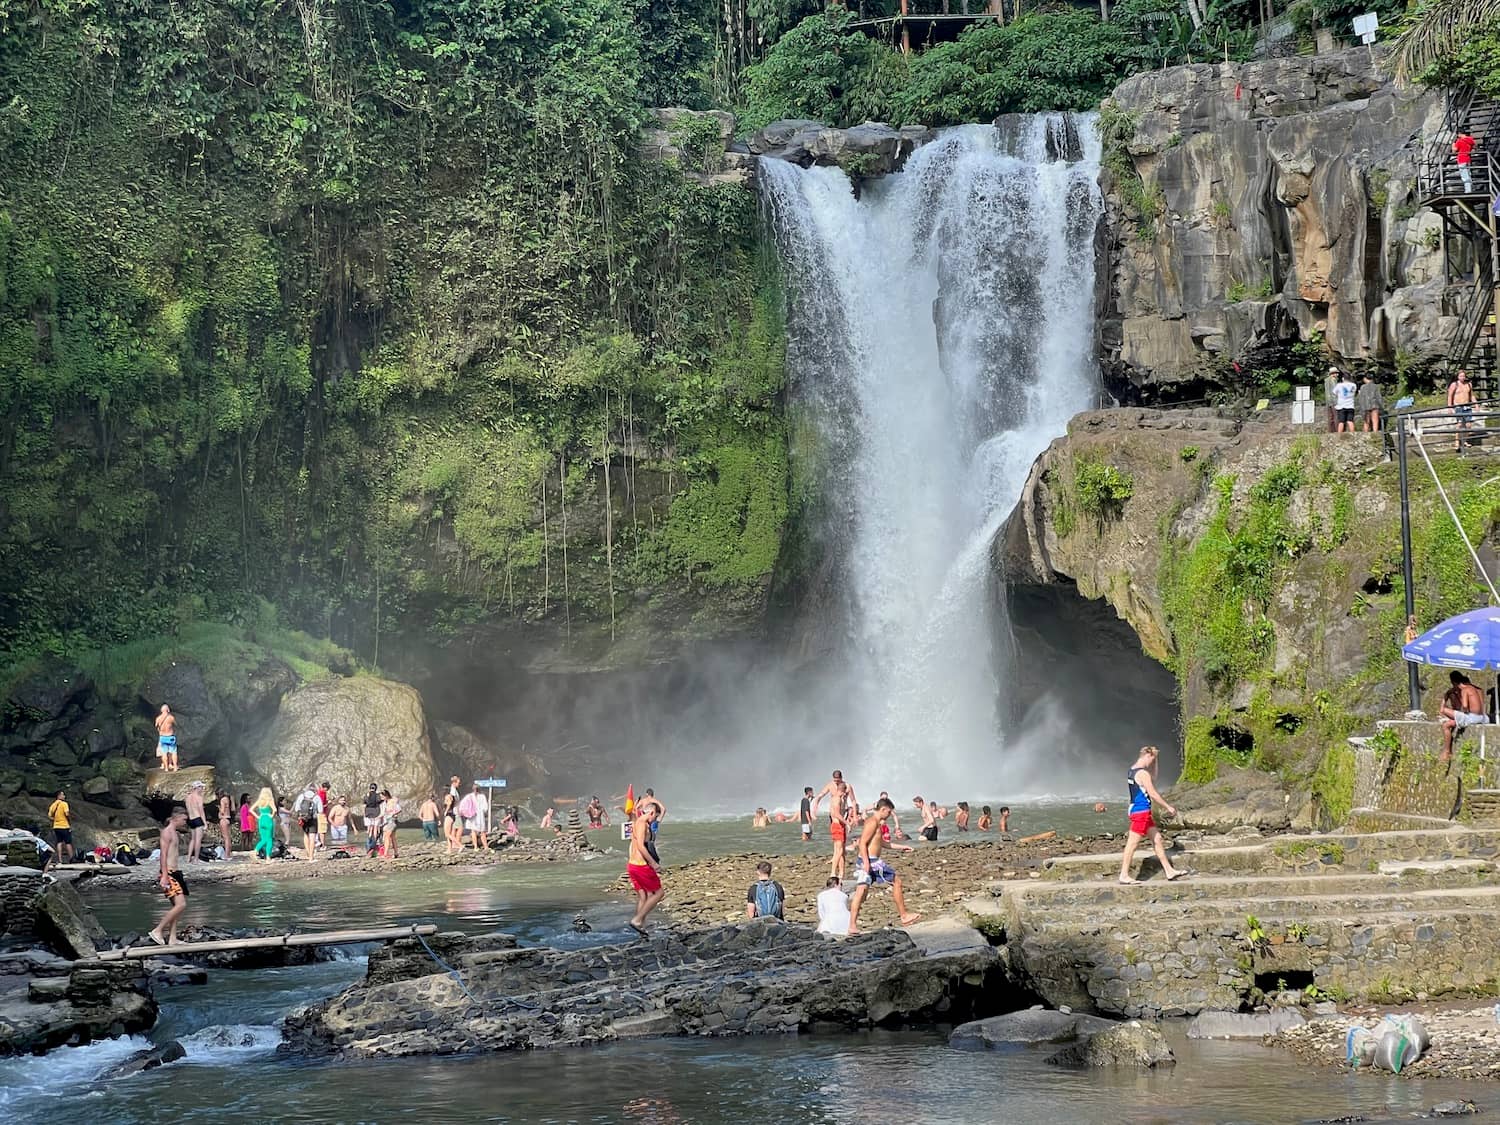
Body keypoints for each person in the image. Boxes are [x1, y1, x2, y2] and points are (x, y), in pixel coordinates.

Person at [847, 799, 922, 934]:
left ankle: (852, 925)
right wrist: (866, 863)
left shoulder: (876, 824)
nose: (889, 815)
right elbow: (862, 843)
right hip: (871, 861)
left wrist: (902, 847)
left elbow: (884, 843)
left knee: (862, 892)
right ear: (883, 809)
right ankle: (904, 916)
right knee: (896, 881)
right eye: (889, 812)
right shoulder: (872, 822)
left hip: (869, 861)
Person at [1118, 746, 1185, 885]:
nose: (1152, 763)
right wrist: (1168, 807)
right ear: (1147, 756)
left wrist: (1156, 760)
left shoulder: (1133, 769)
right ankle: (1124, 875)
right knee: (1132, 843)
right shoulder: (1143, 773)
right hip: (1141, 811)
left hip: (1139, 810)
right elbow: (1153, 793)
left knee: (1158, 839)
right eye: (1152, 760)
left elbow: (1153, 777)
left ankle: (1169, 871)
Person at [148, 808, 189, 945]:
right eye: (184, 819)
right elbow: (163, 855)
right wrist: (164, 876)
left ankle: (172, 939)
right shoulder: (166, 832)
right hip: (169, 874)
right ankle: (158, 930)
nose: (185, 822)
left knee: (176, 907)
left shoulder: (175, 833)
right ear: (175, 818)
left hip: (175, 873)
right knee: (181, 904)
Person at [626, 802, 665, 936]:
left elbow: (633, 844)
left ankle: (640, 925)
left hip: (632, 864)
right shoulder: (642, 824)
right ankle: (637, 920)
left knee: (643, 895)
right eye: (655, 816)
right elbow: (641, 847)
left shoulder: (637, 822)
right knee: (659, 893)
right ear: (652, 813)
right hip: (641, 865)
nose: (655, 820)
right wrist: (653, 863)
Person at [811, 770, 857, 880]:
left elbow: (853, 801)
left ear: (841, 778)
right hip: (836, 818)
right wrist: (815, 805)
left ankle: (841, 872)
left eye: (838, 781)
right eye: (835, 781)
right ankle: (833, 869)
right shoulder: (831, 787)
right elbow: (820, 795)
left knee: (841, 847)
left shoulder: (847, 787)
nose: (836, 783)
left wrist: (854, 815)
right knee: (839, 846)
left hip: (843, 816)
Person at [1439, 670, 1488, 761]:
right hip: (1484, 718)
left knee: (1444, 713)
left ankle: (1446, 751)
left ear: (1453, 682)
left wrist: (1462, 712)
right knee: (1449, 724)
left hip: (1473, 718)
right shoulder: (1478, 689)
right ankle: (1447, 751)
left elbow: (1465, 706)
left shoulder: (1465, 689)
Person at [1448, 369, 1476, 453]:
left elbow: (1471, 395)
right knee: (1459, 425)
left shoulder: (1468, 384)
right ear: (1458, 376)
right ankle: (1457, 442)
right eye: (1460, 376)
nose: (1462, 377)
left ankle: (1465, 441)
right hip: (1458, 406)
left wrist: (1476, 404)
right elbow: (1450, 396)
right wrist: (1450, 407)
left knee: (1468, 425)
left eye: (1463, 376)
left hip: (1467, 406)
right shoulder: (1454, 384)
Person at [250, 787, 277, 862]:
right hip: (268, 819)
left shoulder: (259, 801)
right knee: (269, 839)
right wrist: (271, 815)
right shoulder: (270, 800)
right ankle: (267, 857)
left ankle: (256, 852)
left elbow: (251, 810)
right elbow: (275, 810)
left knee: (263, 838)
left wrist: (258, 817)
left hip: (261, 819)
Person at [47, 789, 73, 864]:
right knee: (68, 842)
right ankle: (71, 858)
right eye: (63, 794)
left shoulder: (53, 804)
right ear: (59, 796)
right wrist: (69, 821)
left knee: (59, 842)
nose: (64, 796)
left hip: (56, 826)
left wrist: (55, 820)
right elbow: (67, 813)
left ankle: (60, 860)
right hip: (64, 826)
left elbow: (49, 816)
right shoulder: (64, 804)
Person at [295, 785, 320, 860]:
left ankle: (308, 854)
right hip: (313, 819)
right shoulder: (316, 797)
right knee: (312, 837)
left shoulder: (301, 796)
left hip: (303, 818)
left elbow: (297, 809)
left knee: (306, 835)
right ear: (315, 790)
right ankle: (311, 857)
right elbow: (321, 810)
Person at [184, 781, 207, 863]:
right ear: (197, 788)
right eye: (201, 787)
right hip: (197, 818)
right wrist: (205, 823)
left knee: (192, 839)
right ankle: (196, 859)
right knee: (198, 840)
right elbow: (201, 811)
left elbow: (187, 808)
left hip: (190, 819)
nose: (202, 789)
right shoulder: (199, 797)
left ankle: (188, 858)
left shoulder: (188, 797)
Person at [463, 783, 490, 850]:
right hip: (480, 816)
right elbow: (485, 808)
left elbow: (464, 804)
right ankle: (486, 846)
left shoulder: (469, 796)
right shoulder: (482, 796)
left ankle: (475, 847)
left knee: (473, 831)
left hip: (472, 815)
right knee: (482, 832)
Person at [154, 704, 178, 772]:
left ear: (161, 710)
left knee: (164, 753)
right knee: (173, 752)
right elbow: (175, 724)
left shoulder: (158, 718)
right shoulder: (171, 717)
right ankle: (175, 767)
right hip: (170, 737)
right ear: (168, 710)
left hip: (162, 737)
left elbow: (156, 726)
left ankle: (166, 768)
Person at [1333, 369, 1357, 434]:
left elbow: (1334, 392)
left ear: (1343, 378)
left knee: (1341, 421)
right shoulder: (1354, 385)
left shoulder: (1339, 385)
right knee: (1350, 421)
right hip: (1350, 406)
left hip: (1341, 406)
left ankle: (1339, 435)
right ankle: (1353, 434)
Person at [443, 776, 462, 853]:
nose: (459, 784)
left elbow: (450, 802)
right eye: (458, 782)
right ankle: (449, 849)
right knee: (449, 832)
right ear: (454, 782)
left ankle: (460, 845)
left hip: (450, 813)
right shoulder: (454, 791)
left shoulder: (452, 792)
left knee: (447, 834)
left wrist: (446, 811)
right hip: (453, 813)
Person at [380, 790, 400, 859]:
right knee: (392, 837)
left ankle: (386, 854)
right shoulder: (385, 803)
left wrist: (394, 814)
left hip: (392, 820)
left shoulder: (392, 801)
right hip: (388, 821)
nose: (381, 798)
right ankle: (396, 853)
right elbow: (384, 813)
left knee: (387, 836)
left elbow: (399, 809)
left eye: (382, 796)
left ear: (386, 795)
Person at [363, 784, 383, 849]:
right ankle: (374, 843)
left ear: (369, 788)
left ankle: (368, 843)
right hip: (376, 812)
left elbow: (364, 803)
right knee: (375, 828)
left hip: (368, 813)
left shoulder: (366, 795)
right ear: (376, 788)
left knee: (369, 829)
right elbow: (380, 801)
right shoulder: (377, 795)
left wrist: (364, 814)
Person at [217, 791, 234, 860]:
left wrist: (219, 809)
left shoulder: (222, 800)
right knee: (228, 837)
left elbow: (222, 811)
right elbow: (233, 809)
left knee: (225, 838)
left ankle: (226, 855)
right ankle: (229, 853)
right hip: (228, 818)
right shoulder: (228, 799)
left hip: (223, 819)